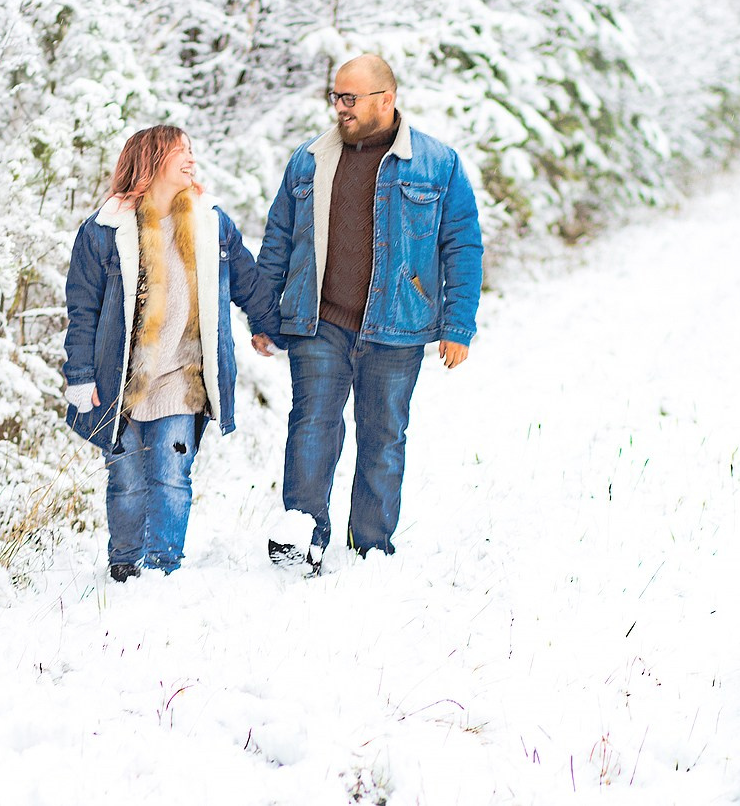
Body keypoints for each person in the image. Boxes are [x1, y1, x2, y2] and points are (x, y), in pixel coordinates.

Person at [253, 54, 482, 570]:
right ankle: (301, 539)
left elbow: (462, 244)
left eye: (350, 98)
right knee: (312, 426)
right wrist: (266, 316)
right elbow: (279, 239)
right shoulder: (308, 160)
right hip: (320, 321)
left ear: (386, 99)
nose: (341, 107)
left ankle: (370, 547)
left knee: (383, 436)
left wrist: (457, 324)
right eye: (336, 96)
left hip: (399, 325)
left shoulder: (437, 163)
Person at [63, 125, 279, 580]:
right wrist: (80, 375)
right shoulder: (104, 232)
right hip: (121, 378)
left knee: (171, 473)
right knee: (126, 479)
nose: (192, 159)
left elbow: (249, 282)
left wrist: (267, 327)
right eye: (182, 150)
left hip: (183, 375)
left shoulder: (210, 224)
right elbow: (82, 309)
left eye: (192, 150)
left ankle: (163, 568)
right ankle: (125, 566)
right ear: (151, 159)